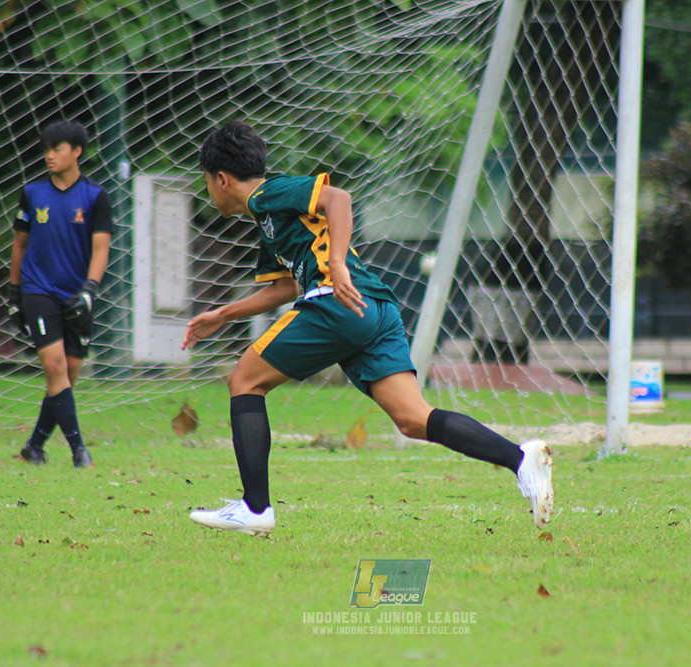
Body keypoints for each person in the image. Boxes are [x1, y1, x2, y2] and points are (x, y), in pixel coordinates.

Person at [182, 120, 553, 536]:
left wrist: (337, 263)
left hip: (336, 302)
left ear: (222, 178)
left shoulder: (268, 193)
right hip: (373, 307)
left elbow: (338, 198)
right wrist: (224, 314)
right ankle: (521, 460)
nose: (208, 193)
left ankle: (255, 509)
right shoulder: (268, 221)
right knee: (413, 419)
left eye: (206, 182)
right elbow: (285, 287)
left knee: (244, 380)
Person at [7, 120, 112, 468]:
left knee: (68, 375)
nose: (49, 155)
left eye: (57, 149)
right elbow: (19, 245)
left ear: (76, 151)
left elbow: (101, 249)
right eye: (46, 150)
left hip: (77, 294)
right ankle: (79, 451)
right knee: (55, 368)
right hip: (38, 290)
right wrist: (15, 294)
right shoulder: (33, 193)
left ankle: (33, 448)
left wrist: (89, 290)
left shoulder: (95, 196)